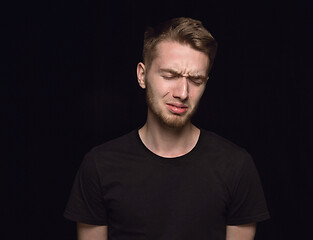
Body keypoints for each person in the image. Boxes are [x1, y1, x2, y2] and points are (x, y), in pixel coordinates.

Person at [64, 17, 270, 240]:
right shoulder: (99, 166)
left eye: (196, 80)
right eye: (170, 75)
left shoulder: (236, 166)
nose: (182, 92)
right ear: (142, 75)